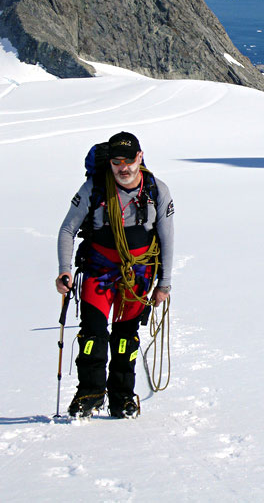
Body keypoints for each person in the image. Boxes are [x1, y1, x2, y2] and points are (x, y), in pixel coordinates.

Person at [56, 131, 174, 419]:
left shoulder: (156, 190)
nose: (124, 167)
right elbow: (67, 230)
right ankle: (90, 393)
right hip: (99, 271)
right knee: (93, 335)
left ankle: (122, 397)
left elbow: (167, 236)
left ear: (140, 157)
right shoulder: (93, 188)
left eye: (129, 160)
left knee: (125, 337)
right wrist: (64, 271)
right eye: (117, 161)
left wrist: (165, 284)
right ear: (109, 163)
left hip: (138, 275)